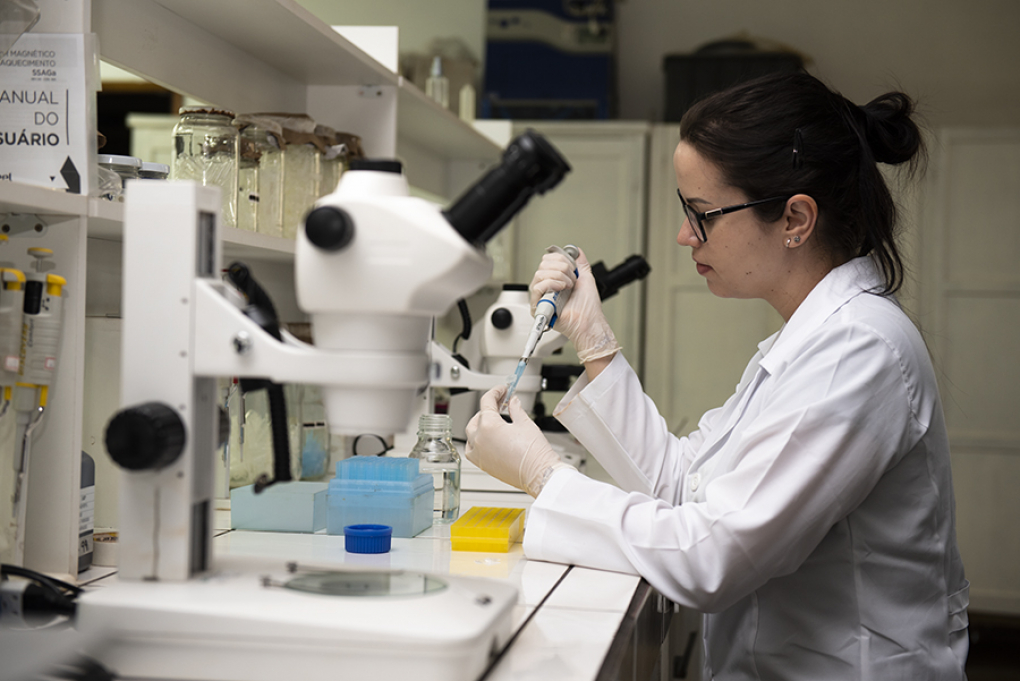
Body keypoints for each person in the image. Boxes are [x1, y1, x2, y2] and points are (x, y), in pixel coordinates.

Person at [465, 71, 969, 680]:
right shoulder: (809, 340)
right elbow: (683, 488)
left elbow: (712, 554)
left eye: (702, 214)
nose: (684, 236)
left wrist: (542, 475)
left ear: (795, 219)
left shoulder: (858, 351)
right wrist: (593, 341)